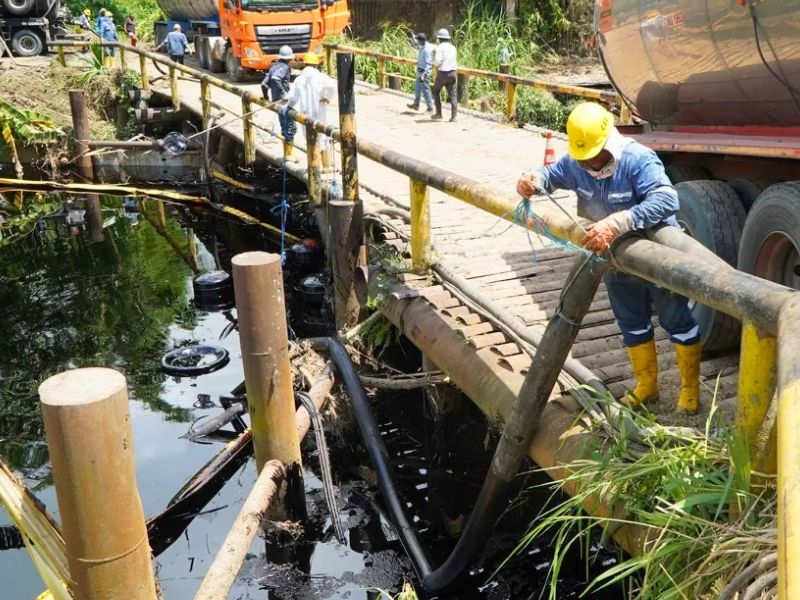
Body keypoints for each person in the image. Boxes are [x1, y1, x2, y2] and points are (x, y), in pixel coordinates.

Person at [515, 102, 702, 415]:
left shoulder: (638, 160)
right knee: (631, 320)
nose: (588, 163)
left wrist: (618, 221)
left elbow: (667, 199)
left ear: (608, 141)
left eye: (594, 156)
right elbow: (551, 175)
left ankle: (690, 389)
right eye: (582, 157)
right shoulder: (577, 163)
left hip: (657, 257)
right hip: (615, 260)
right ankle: (647, 385)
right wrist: (533, 179)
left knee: (675, 319)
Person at [283, 52, 335, 163]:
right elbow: (331, 87)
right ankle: (325, 166)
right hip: (321, 111)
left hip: (306, 113)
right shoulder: (323, 77)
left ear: (305, 64)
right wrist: (325, 98)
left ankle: (313, 165)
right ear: (316, 65)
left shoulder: (299, 80)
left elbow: (292, 98)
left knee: (310, 139)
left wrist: (288, 107)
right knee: (324, 138)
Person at [262, 46, 297, 156]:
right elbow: (276, 79)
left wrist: (266, 97)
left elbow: (263, 85)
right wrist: (283, 93)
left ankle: (287, 153)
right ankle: (289, 155)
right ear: (289, 59)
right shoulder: (284, 68)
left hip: (277, 103)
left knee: (285, 127)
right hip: (284, 103)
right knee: (291, 128)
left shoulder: (274, 67)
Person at [431, 28, 458, 122]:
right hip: (453, 73)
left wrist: (433, 65)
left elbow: (438, 61)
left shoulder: (440, 47)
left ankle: (439, 114)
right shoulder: (453, 47)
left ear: (440, 39)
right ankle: (454, 116)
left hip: (443, 73)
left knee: (435, 91)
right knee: (453, 94)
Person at [406, 32, 434, 112]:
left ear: (420, 41)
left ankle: (430, 107)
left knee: (425, 90)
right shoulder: (422, 46)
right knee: (417, 88)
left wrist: (424, 75)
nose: (416, 41)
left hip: (424, 72)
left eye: (417, 40)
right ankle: (416, 104)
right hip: (420, 71)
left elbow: (429, 64)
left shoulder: (426, 50)